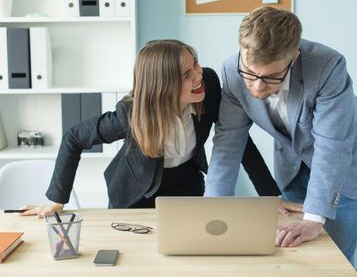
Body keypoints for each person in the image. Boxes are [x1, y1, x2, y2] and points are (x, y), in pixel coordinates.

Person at [204, 6, 357, 264]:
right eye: (250, 72)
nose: (256, 86)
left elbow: (332, 145)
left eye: (270, 77)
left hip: (343, 168)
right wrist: (212, 211)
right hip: (291, 167)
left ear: (293, 58)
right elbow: (228, 143)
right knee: (290, 257)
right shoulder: (232, 70)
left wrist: (314, 219)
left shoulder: (327, 67)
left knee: (333, 262)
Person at [21, 39, 280, 217]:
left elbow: (238, 139)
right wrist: (58, 201)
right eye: (187, 74)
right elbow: (74, 138)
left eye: (196, 64)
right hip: (135, 195)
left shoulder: (209, 86)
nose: (198, 75)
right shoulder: (131, 114)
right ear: (162, 86)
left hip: (187, 185)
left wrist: (271, 197)